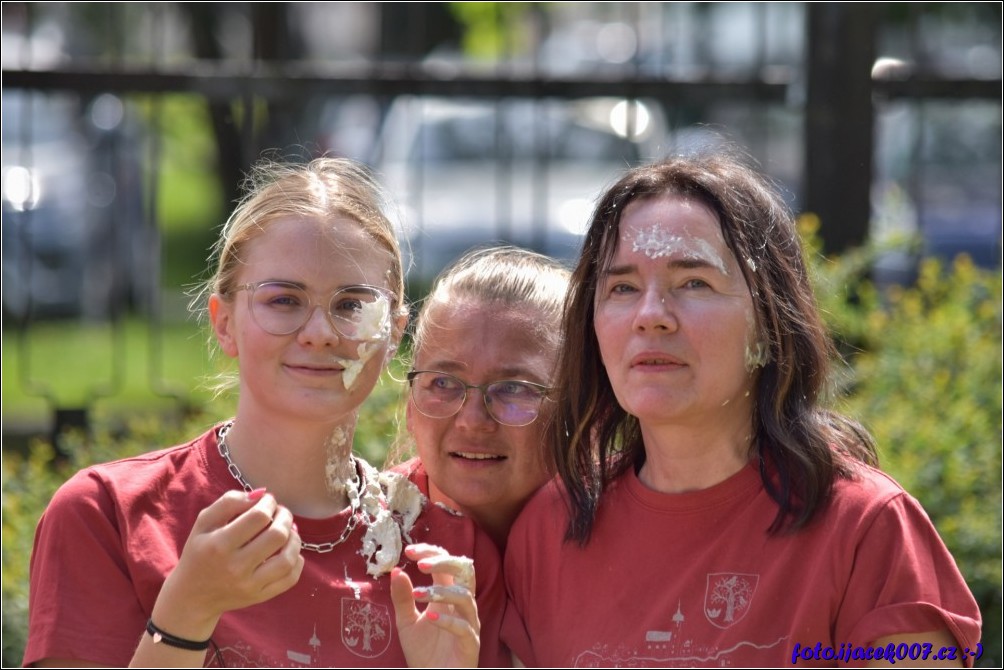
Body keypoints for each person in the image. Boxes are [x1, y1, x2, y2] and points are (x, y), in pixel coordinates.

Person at [502, 149, 982, 667]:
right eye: (622, 287)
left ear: (771, 323)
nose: (651, 316)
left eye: (693, 283)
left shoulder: (867, 529)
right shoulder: (548, 530)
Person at [24, 157, 506, 668]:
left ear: (393, 334)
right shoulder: (110, 515)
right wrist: (187, 614)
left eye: (351, 305)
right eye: (283, 300)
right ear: (225, 323)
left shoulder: (449, 555)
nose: (320, 331)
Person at [393, 245, 570, 550]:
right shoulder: (363, 540)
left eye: (514, 387)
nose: (472, 421)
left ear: (585, 413)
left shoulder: (624, 541)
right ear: (411, 407)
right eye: (444, 383)